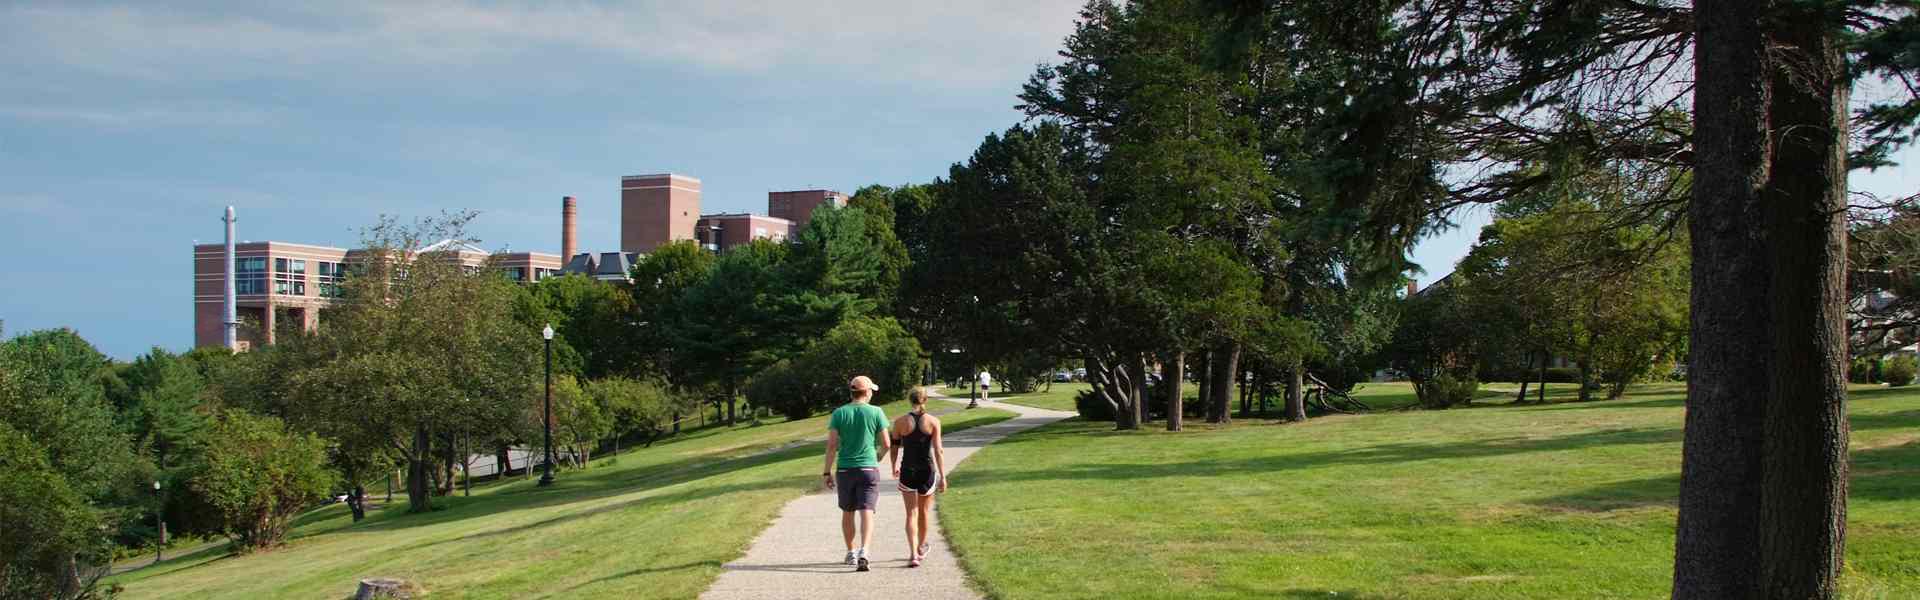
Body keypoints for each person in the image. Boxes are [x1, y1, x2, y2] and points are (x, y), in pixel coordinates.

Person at [823, 375, 891, 572]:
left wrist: (827, 472)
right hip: (868, 468)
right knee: (867, 510)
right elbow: (886, 444)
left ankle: (851, 552)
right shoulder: (876, 412)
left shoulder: (839, 413)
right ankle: (865, 551)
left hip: (845, 469)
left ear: (851, 392)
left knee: (848, 511)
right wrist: (878, 456)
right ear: (867, 392)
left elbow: (832, 445)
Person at [888, 388, 948, 568]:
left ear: (910, 400)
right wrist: (943, 476)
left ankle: (913, 554)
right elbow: (938, 450)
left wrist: (894, 466)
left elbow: (894, 448)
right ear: (925, 400)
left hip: (908, 470)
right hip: (927, 471)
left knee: (910, 513)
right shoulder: (933, 421)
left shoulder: (899, 422)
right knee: (923, 512)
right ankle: (921, 547)